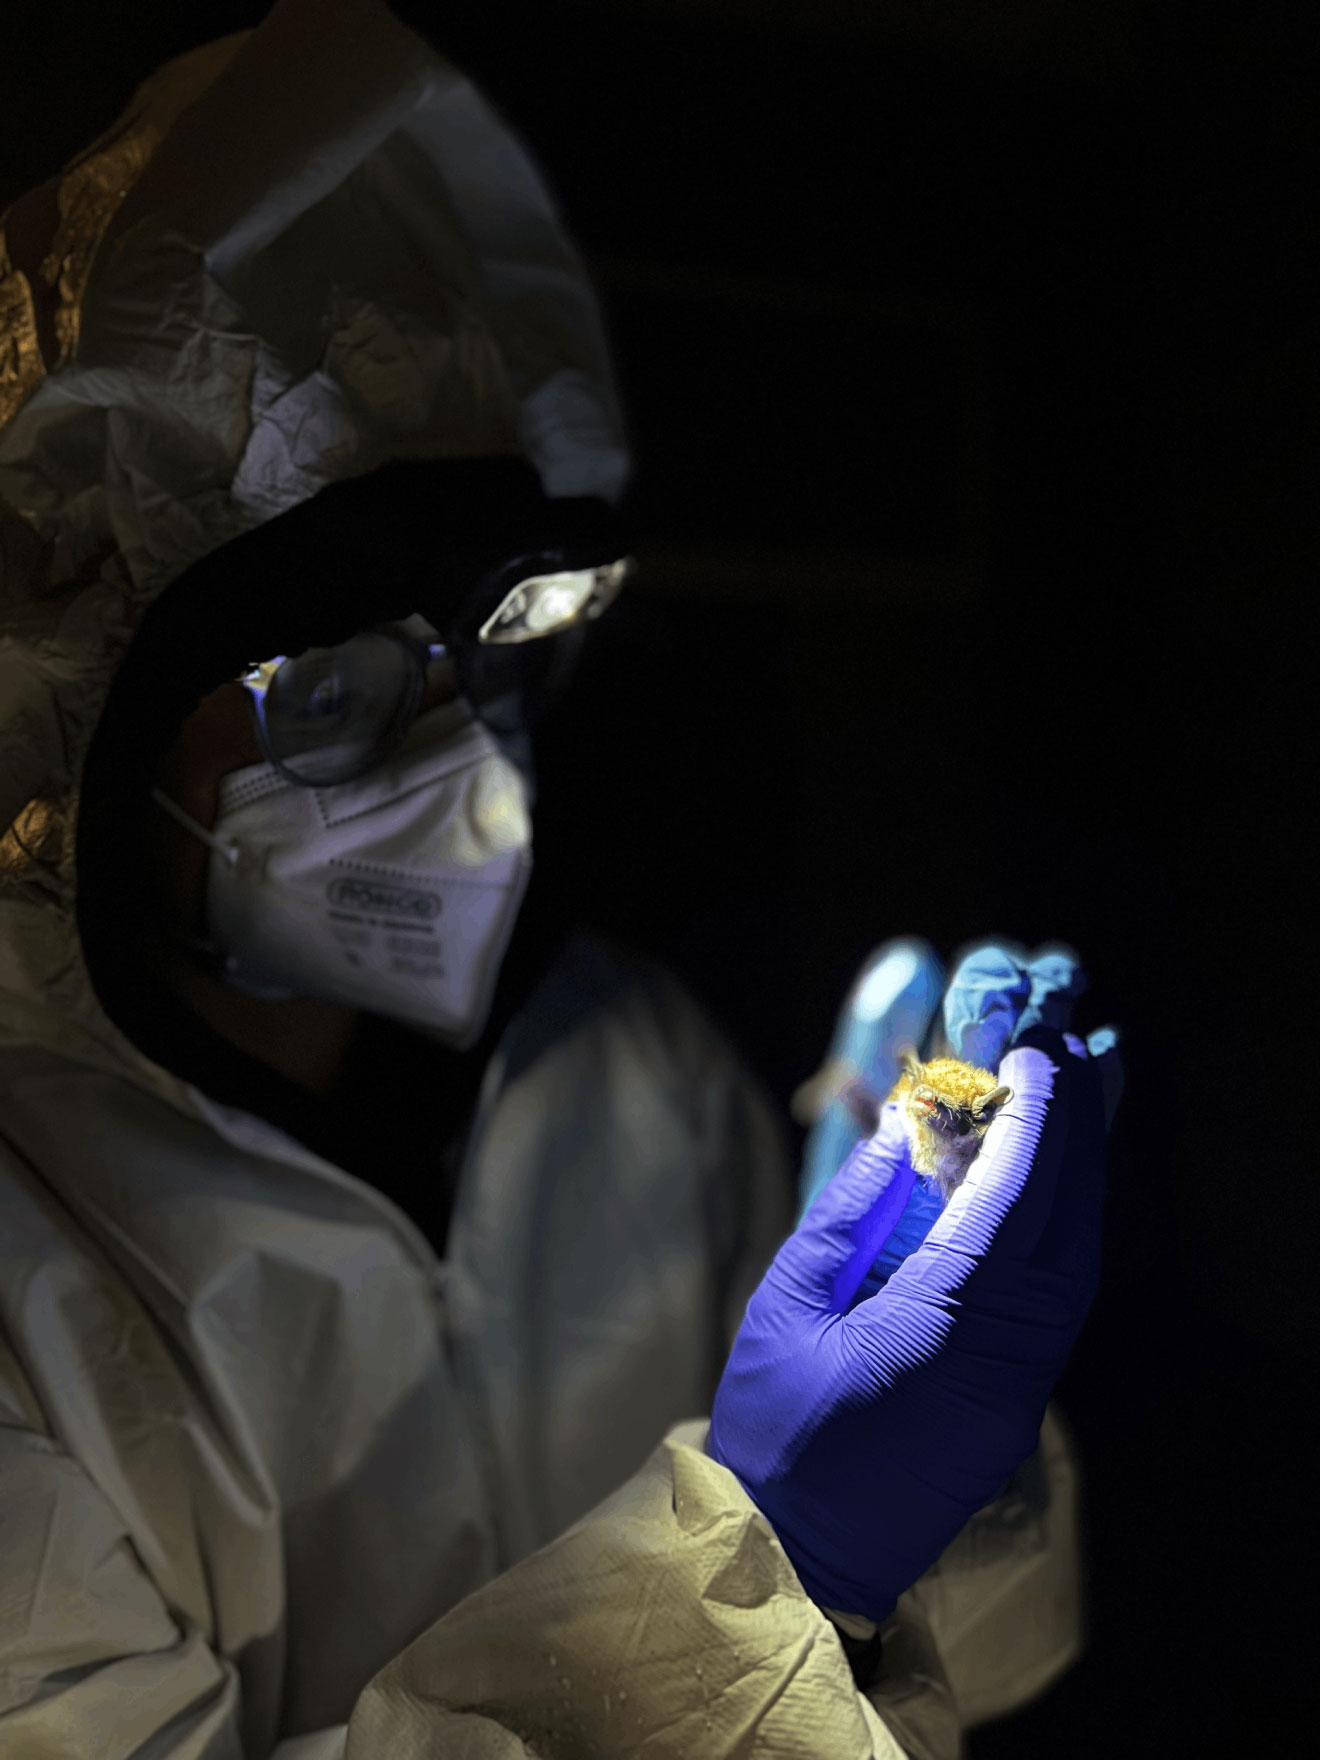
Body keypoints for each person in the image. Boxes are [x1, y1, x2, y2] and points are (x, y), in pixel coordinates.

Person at [0, 4, 1115, 1755]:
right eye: (346, 685)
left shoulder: (635, 1073)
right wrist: (776, 1565)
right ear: (80, 699)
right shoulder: (23, 1269)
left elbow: (988, 1671)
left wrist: (953, 1472)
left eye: (496, 655)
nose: (471, 779)